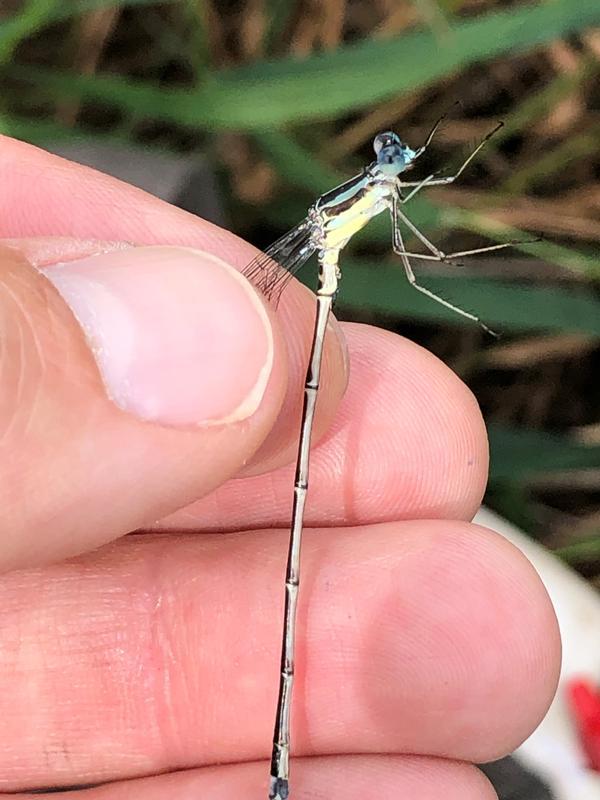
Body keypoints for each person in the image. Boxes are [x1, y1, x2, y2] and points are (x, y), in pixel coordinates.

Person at [0, 135, 560, 799]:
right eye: (391, 155)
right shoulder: (363, 203)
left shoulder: (379, 190)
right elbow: (419, 265)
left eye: (398, 157)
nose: (398, 163)